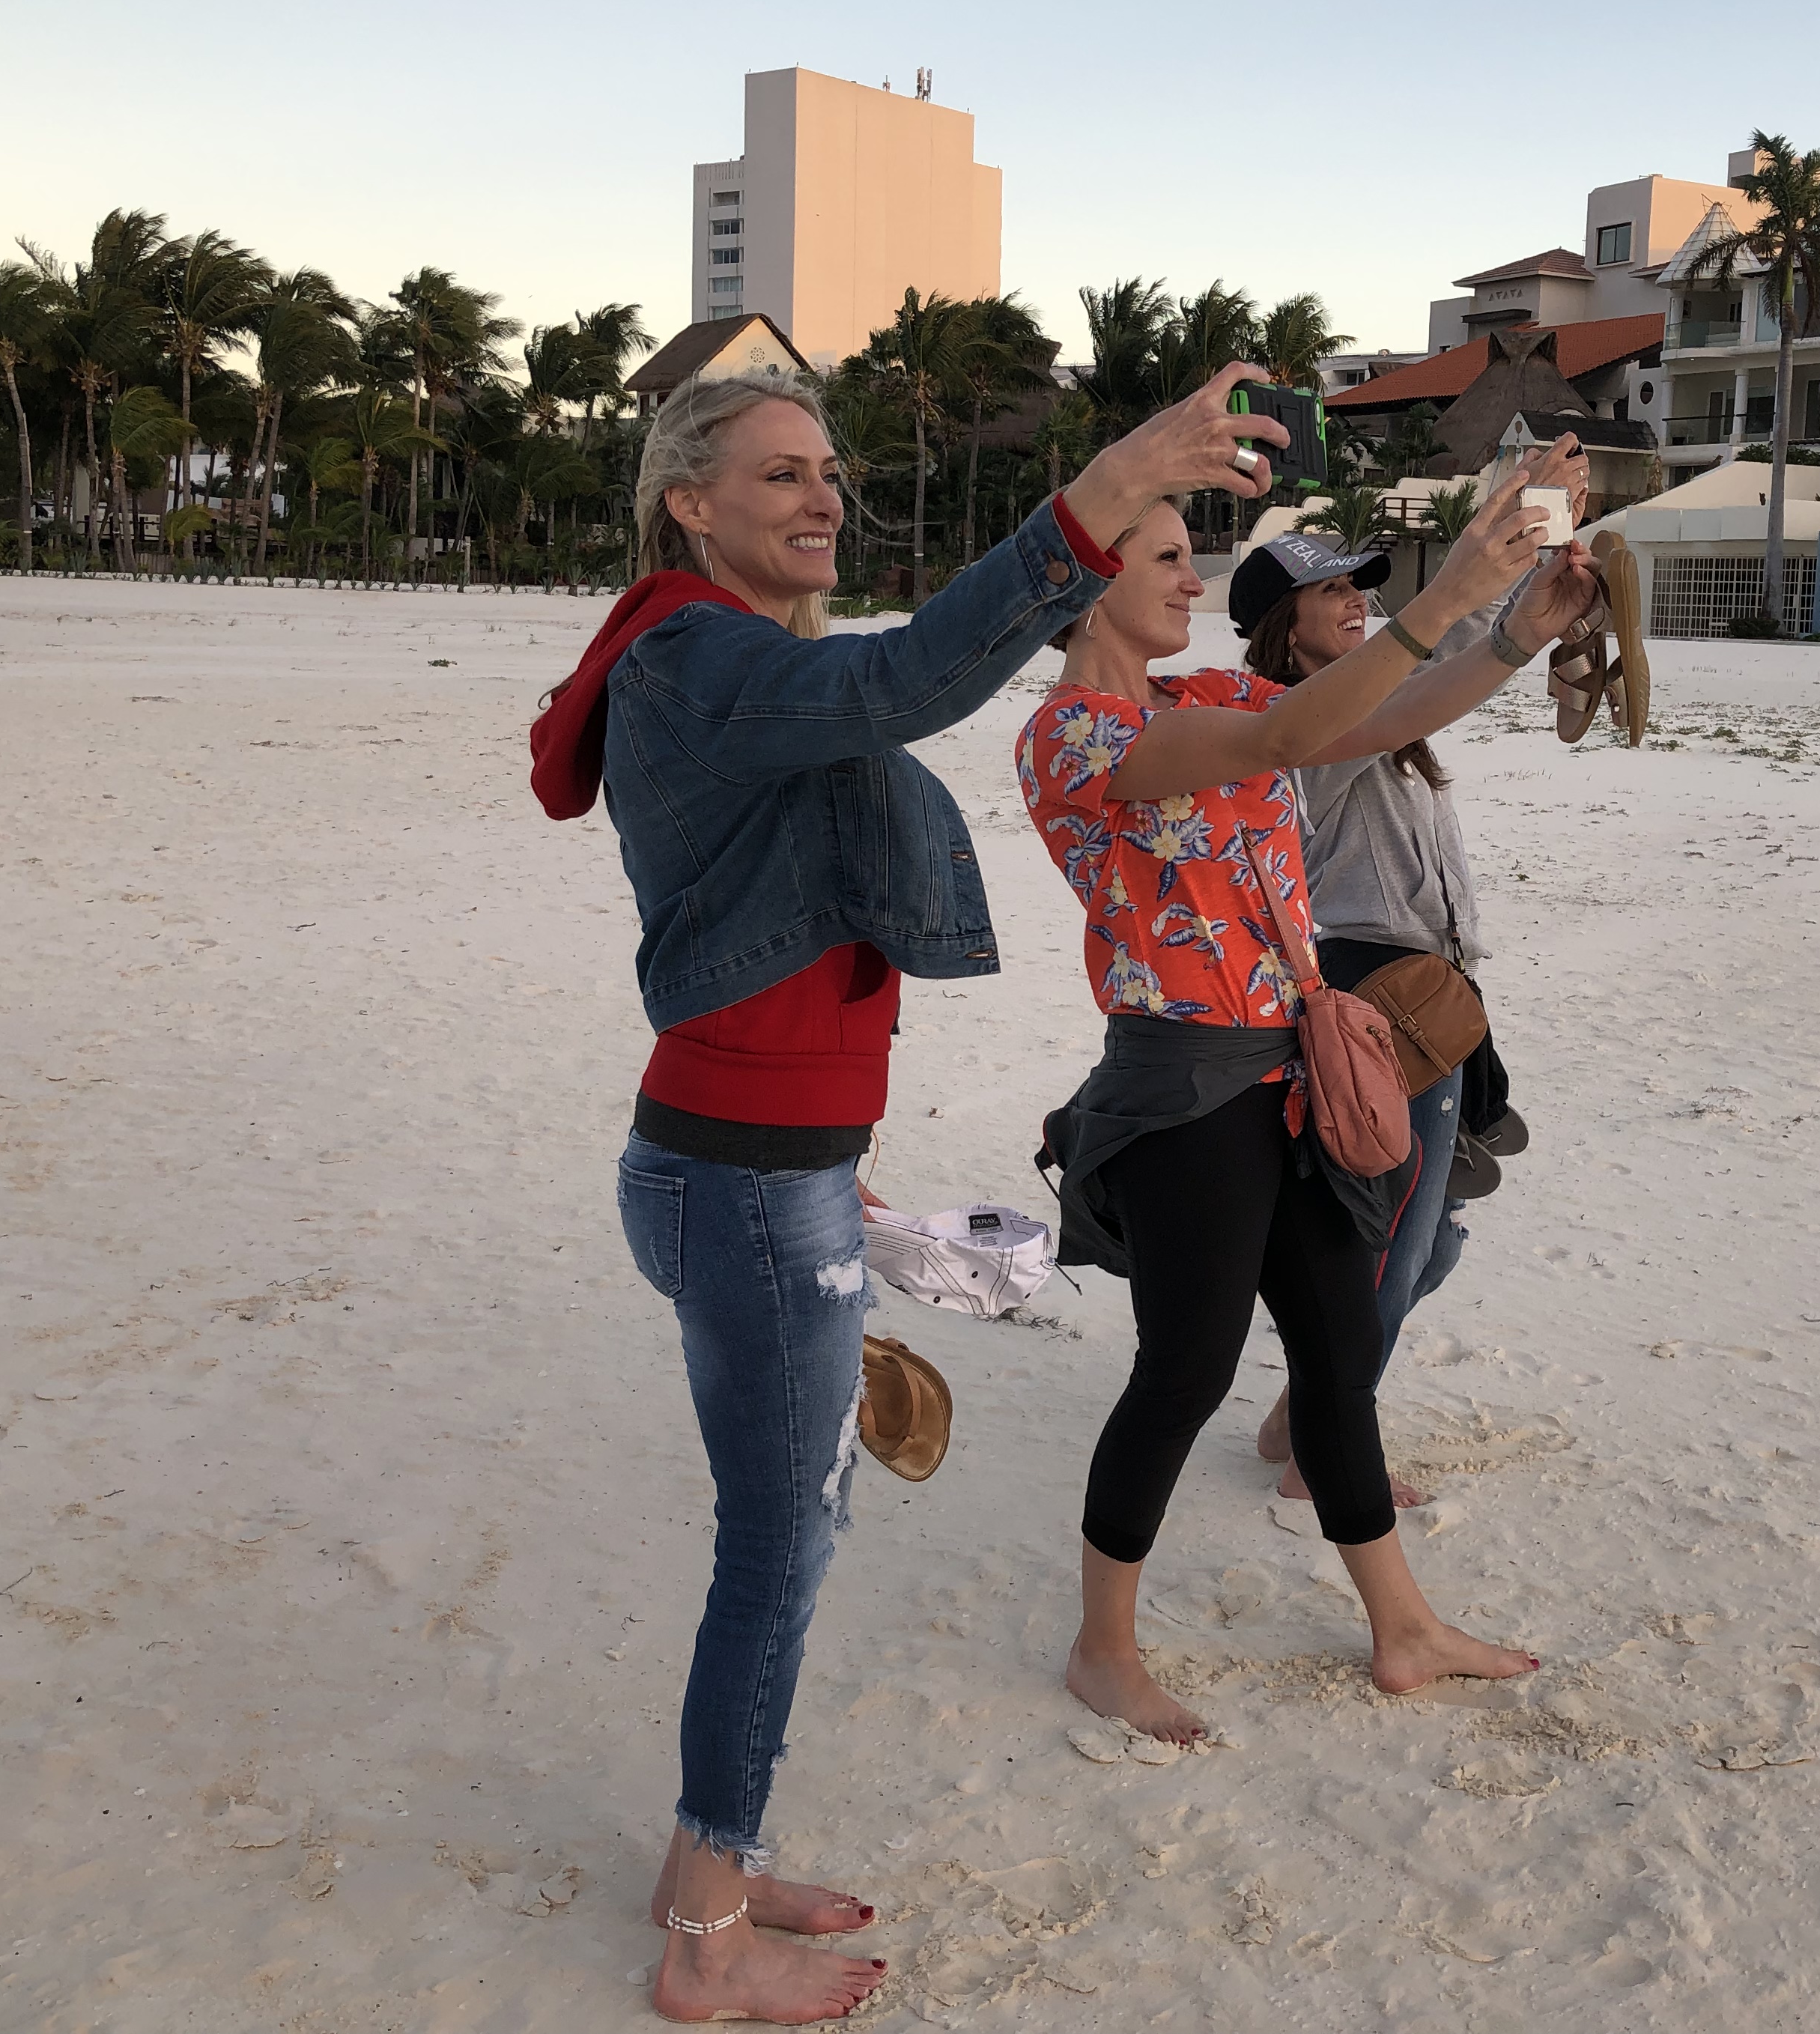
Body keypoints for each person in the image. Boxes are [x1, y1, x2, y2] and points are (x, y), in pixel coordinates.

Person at [530, 362, 1272, 2026]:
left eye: (830, 473)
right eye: (780, 474)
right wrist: (1105, 490)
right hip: (741, 1183)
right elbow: (912, 675)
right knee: (778, 1548)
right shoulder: (696, 657)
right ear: (688, 504)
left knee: (795, 1527)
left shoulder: (732, 661)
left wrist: (847, 1173)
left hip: (763, 1166)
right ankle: (706, 1933)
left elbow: (854, 754)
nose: (823, 499)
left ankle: (705, 1862)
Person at [1019, 429, 1598, 1746]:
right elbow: (1287, 730)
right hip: (1183, 1093)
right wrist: (1455, 584)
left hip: (1289, 1070)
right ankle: (1103, 1648)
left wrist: (1514, 631)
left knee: (1338, 1351)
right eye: (1167, 559)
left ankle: (1404, 1627)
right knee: (1187, 1371)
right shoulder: (1074, 738)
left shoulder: (1206, 689)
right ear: (1090, 584)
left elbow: (1381, 717)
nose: (1193, 580)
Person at [1229, 454, 1591, 1501]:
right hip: (1379, 996)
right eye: (1332, 591)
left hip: (1434, 990)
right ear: (1282, 627)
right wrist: (1499, 579)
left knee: (1427, 1249)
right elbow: (1439, 666)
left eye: (1361, 584)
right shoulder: (1300, 725)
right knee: (1392, 1247)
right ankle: (1322, 1459)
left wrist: (1529, 568)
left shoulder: (1378, 709)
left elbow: (1452, 653)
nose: (1358, 600)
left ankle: (1303, 1414)